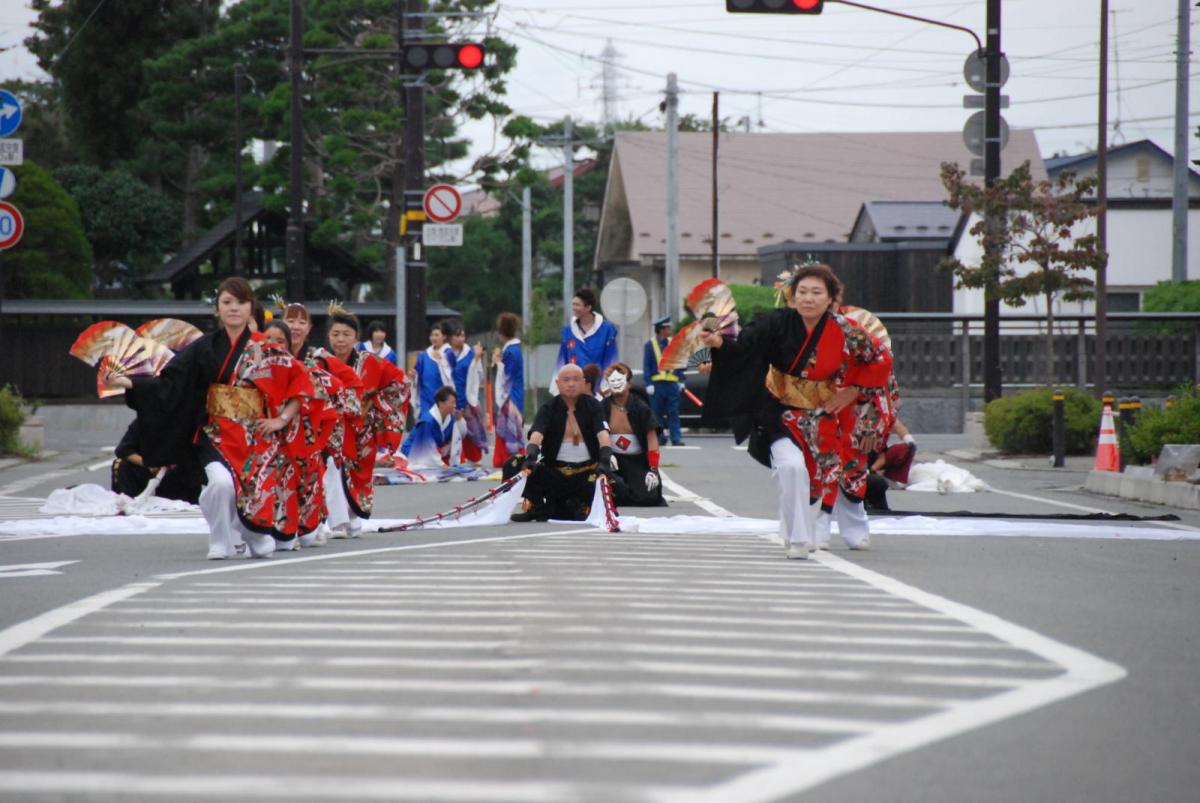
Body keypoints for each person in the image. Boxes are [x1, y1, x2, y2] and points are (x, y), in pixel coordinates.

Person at [104, 277, 315, 560]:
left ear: (251, 307)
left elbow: (299, 382)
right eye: (227, 302)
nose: (234, 309)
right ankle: (219, 539)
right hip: (214, 432)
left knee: (252, 503)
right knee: (220, 483)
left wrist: (281, 420)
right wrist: (132, 383)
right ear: (217, 308)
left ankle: (253, 534)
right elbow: (171, 381)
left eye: (240, 302)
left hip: (254, 435)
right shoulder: (204, 347)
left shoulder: (268, 348)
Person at [700, 264, 892, 560]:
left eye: (817, 292)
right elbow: (744, 347)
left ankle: (798, 531)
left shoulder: (846, 329)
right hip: (778, 411)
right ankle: (800, 539)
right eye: (802, 291)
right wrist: (720, 343)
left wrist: (853, 390)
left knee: (817, 478)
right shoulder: (774, 323)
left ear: (830, 298)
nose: (808, 298)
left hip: (822, 415)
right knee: (791, 468)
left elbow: (880, 357)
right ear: (793, 295)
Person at [324, 304, 410, 538]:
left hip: (362, 427)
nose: (340, 340)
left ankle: (352, 517)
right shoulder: (320, 361)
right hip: (330, 428)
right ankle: (337, 521)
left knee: (359, 472)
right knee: (331, 469)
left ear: (357, 338)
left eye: (346, 335)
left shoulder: (371, 362)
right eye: (335, 334)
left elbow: (400, 382)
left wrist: (375, 404)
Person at [282, 302, 363, 546]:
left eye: (301, 322)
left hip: (313, 427)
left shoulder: (318, 359)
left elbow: (351, 385)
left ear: (309, 328)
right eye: (290, 321)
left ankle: (322, 522)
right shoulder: (269, 353)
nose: (295, 327)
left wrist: (332, 407)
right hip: (277, 425)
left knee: (320, 471)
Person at [512, 363, 614, 522]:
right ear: (558, 383)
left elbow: (603, 434)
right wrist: (531, 457)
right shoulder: (548, 408)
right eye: (566, 380)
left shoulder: (594, 406)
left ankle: (584, 505)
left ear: (583, 383)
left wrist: (605, 460)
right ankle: (536, 506)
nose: (571, 384)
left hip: (587, 473)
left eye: (576, 379)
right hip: (556, 473)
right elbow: (537, 434)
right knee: (514, 464)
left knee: (612, 481)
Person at [601, 363, 665, 507]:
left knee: (648, 496)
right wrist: (605, 455)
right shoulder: (602, 408)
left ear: (629, 384)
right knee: (610, 488)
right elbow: (596, 435)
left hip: (637, 462)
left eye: (620, 381)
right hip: (612, 461)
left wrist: (653, 469)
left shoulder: (641, 408)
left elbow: (652, 438)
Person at [110, 419, 202, 504]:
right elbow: (123, 449)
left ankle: (192, 503)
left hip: (178, 476)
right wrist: (147, 463)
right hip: (148, 472)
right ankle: (125, 501)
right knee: (120, 464)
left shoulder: (189, 422)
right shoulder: (143, 421)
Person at [556, 288, 618, 386]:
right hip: (573, 386)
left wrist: (607, 385)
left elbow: (611, 360)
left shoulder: (607, 330)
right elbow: (562, 361)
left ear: (588, 307)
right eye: (573, 304)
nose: (574, 308)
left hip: (599, 386)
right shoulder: (568, 331)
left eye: (577, 305)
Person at [446, 320, 487, 465]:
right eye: (457, 336)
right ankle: (455, 456)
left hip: (467, 394)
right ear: (450, 338)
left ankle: (474, 457)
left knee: (471, 427)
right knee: (451, 427)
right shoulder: (445, 353)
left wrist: (476, 359)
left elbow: (479, 373)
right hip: (450, 394)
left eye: (463, 336)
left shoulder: (469, 353)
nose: (460, 339)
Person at [643, 316, 686, 446]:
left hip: (672, 384)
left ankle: (676, 438)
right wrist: (649, 383)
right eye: (668, 328)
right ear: (661, 330)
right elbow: (647, 365)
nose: (670, 330)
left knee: (673, 411)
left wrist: (681, 380)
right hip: (657, 385)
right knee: (656, 413)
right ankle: (659, 438)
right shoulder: (650, 344)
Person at [492, 312, 526, 469]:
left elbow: (507, 376)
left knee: (509, 425)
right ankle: (507, 457)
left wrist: (498, 363)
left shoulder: (511, 351)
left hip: (511, 393)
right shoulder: (514, 349)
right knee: (510, 425)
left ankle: (508, 458)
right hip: (516, 391)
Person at [865, 419, 917, 512]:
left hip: (872, 459)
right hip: (852, 462)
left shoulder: (884, 413)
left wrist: (909, 440)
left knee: (877, 483)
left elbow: (896, 424)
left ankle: (893, 478)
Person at [401, 386, 457, 467]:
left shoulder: (451, 418)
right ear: (441, 403)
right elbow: (428, 446)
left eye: (455, 402)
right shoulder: (428, 420)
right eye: (452, 402)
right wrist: (441, 465)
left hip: (433, 454)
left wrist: (448, 447)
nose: (455, 405)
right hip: (413, 453)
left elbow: (456, 438)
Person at [412, 320, 454, 419]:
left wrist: (442, 360)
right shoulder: (424, 355)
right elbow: (417, 375)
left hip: (442, 397)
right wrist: (413, 376)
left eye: (437, 335)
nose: (434, 338)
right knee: (426, 423)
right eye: (432, 335)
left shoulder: (449, 353)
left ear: (444, 337)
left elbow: (453, 376)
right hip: (426, 397)